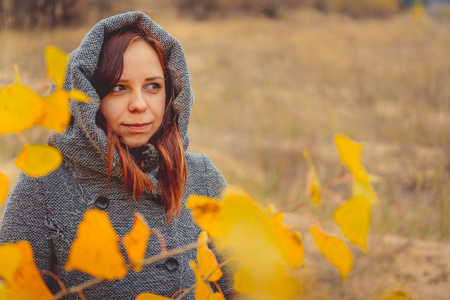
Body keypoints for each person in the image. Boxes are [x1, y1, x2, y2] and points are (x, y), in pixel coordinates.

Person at [0, 11, 234, 299]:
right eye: (119, 88)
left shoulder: (201, 177)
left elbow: (244, 289)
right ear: (89, 98)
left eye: (152, 86)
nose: (139, 104)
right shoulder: (44, 186)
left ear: (170, 93)